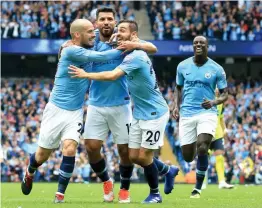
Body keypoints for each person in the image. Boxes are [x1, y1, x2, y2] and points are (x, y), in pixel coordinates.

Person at [69, 20, 179, 204]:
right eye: (117, 30)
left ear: (134, 36)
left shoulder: (135, 56)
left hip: (155, 112)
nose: (117, 33)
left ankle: (155, 194)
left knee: (144, 156)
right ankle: (168, 171)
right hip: (140, 112)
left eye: (122, 30)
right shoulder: (126, 48)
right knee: (133, 155)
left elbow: (112, 75)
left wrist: (85, 74)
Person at [21, 19, 123, 203]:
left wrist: (112, 31)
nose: (94, 34)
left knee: (70, 148)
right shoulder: (70, 51)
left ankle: (59, 195)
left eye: (94, 31)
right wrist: (125, 47)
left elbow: (98, 34)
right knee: (42, 155)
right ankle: (30, 169)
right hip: (55, 110)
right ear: (77, 35)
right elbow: (101, 57)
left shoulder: (82, 44)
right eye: (90, 31)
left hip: (75, 111)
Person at [173, 36, 228, 198]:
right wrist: (176, 105)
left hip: (207, 113)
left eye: (201, 43)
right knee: (188, 156)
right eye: (195, 43)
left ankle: (197, 188)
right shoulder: (182, 66)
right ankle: (200, 162)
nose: (198, 45)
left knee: (203, 145)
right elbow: (178, 87)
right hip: (187, 113)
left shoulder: (217, 69)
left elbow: (225, 94)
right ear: (192, 46)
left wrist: (214, 102)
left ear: (207, 46)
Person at [202, 89, 234, 189]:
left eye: (217, 89)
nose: (216, 90)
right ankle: (201, 182)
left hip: (218, 133)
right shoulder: (205, 101)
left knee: (219, 156)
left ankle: (222, 182)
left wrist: (225, 129)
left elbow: (221, 118)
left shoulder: (220, 103)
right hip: (206, 133)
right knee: (203, 158)